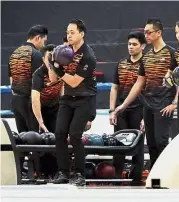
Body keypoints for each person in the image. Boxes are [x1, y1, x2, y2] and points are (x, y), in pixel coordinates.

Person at [113, 19, 178, 169]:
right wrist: (123, 105)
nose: (146, 35)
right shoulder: (147, 57)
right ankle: (155, 176)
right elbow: (139, 83)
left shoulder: (172, 53)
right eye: (145, 32)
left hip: (164, 104)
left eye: (149, 32)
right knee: (152, 143)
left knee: (161, 141)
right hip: (147, 106)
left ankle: (166, 174)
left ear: (159, 33)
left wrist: (174, 103)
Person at [50, 19, 97, 186]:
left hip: (85, 99)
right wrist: (53, 64)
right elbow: (53, 78)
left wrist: (59, 70)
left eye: (72, 32)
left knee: (75, 135)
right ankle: (63, 171)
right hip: (68, 98)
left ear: (81, 34)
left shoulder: (88, 55)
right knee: (60, 133)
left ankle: (79, 173)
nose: (69, 35)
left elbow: (75, 81)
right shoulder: (65, 52)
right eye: (67, 32)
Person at [109, 30, 146, 185]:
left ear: (143, 46)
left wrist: (145, 116)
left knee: (137, 146)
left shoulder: (147, 64)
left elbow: (150, 90)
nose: (131, 47)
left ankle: (137, 178)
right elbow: (114, 88)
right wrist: (112, 110)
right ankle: (117, 177)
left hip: (140, 109)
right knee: (118, 144)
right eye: (129, 44)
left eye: (134, 44)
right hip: (121, 110)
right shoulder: (121, 63)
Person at [8, 25, 48, 133]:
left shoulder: (14, 54)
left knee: (22, 138)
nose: (44, 44)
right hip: (29, 102)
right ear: (38, 38)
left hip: (16, 101)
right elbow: (38, 83)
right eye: (44, 41)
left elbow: (11, 80)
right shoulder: (35, 55)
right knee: (35, 139)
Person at [31, 44, 63, 133]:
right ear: (43, 59)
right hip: (40, 109)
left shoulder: (62, 70)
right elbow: (35, 100)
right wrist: (40, 122)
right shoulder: (38, 75)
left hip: (54, 108)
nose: (51, 60)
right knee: (40, 137)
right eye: (49, 57)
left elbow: (62, 94)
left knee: (58, 134)